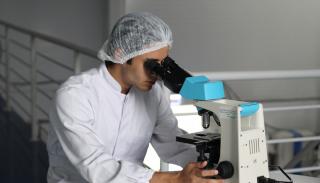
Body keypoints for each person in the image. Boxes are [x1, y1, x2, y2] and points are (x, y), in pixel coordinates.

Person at [47, 12, 223, 183]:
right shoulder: (75, 95)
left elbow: (173, 145)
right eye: (152, 65)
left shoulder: (153, 95)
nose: (157, 74)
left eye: (163, 65)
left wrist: (215, 163)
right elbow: (95, 166)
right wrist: (177, 179)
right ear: (120, 54)